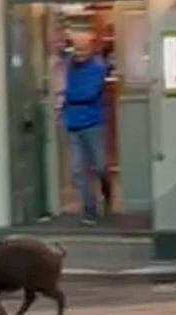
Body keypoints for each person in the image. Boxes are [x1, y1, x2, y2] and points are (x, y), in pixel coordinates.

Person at [61, 32, 111, 226]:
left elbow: (88, 93)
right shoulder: (67, 64)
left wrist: (66, 94)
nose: (79, 53)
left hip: (93, 124)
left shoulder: (98, 67)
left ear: (90, 49)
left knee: (99, 166)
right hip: (73, 124)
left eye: (83, 49)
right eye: (76, 49)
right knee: (78, 171)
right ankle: (89, 210)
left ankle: (106, 188)